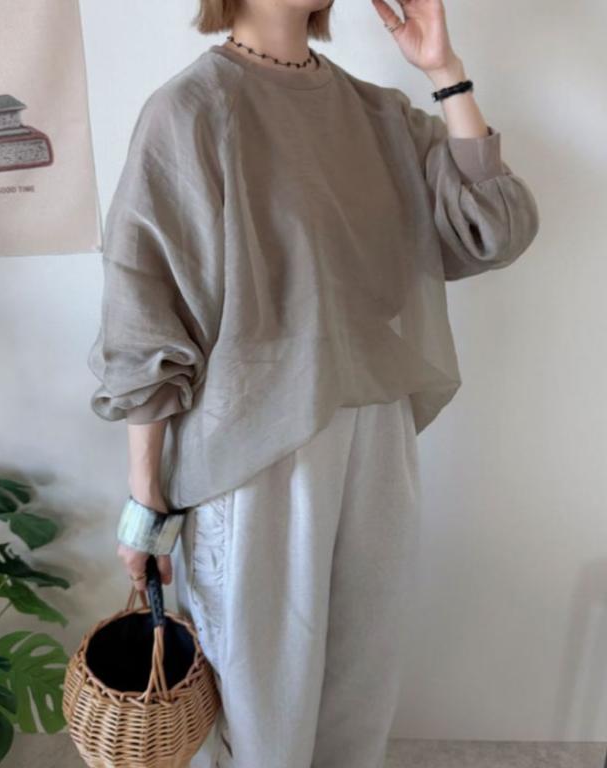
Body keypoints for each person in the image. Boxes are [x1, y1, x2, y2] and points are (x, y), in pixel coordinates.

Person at [87, 1, 540, 765]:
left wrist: (444, 71)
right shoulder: (191, 109)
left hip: (377, 432)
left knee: (360, 692)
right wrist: (146, 503)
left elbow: (493, 230)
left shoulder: (378, 114)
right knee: (263, 709)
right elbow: (144, 310)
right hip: (254, 448)